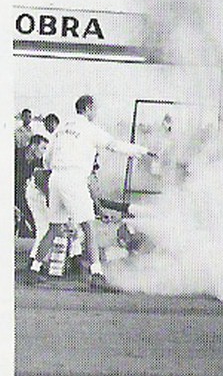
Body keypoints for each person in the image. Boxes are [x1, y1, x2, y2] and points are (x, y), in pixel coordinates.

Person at [28, 95, 152, 287]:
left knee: (54, 227)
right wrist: (142, 150)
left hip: (56, 178)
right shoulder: (89, 129)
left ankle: (34, 268)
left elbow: (47, 158)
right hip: (74, 179)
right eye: (95, 109)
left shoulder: (61, 128)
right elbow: (115, 146)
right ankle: (96, 274)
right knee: (88, 226)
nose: (96, 112)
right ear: (88, 108)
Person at [15, 134, 49, 237]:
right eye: (43, 148)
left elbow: (44, 177)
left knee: (32, 216)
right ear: (33, 146)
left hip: (20, 192)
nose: (44, 152)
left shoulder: (37, 161)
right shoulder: (15, 154)